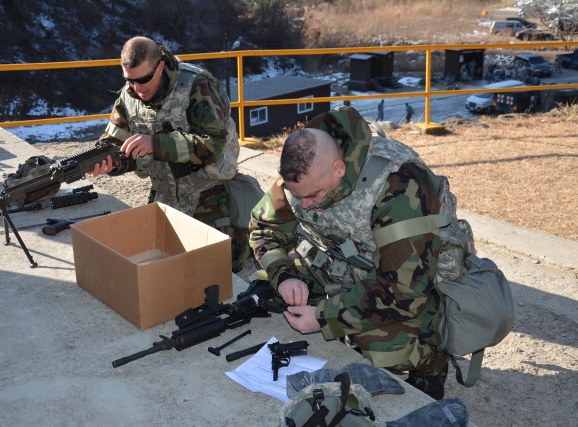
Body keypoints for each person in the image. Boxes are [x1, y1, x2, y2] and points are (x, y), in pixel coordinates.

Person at [249, 106, 450, 400]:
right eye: (298, 196)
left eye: (313, 196)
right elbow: (265, 228)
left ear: (338, 170)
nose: (303, 206)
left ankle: (428, 371)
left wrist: (324, 316)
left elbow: (405, 291)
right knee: (262, 290)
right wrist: (284, 276)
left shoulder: (398, 190)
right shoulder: (303, 173)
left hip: (398, 284)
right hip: (338, 265)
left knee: (384, 348)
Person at [92, 36, 261, 273]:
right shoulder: (129, 95)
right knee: (159, 265)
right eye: (130, 80)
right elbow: (115, 141)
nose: (137, 88)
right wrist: (111, 162)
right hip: (165, 194)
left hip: (209, 193)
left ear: (160, 66)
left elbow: (212, 145)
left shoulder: (197, 86)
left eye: (143, 79)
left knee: (221, 267)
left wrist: (156, 143)